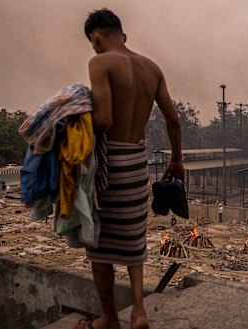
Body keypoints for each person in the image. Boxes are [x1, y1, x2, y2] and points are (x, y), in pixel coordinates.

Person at [84, 8, 184, 329]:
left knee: (99, 245)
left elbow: (103, 120)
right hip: (137, 163)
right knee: (132, 239)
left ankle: (109, 318)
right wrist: (176, 159)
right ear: (123, 35)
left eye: (93, 42)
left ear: (95, 37)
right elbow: (173, 119)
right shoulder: (152, 68)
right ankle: (139, 312)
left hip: (108, 165)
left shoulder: (100, 62)